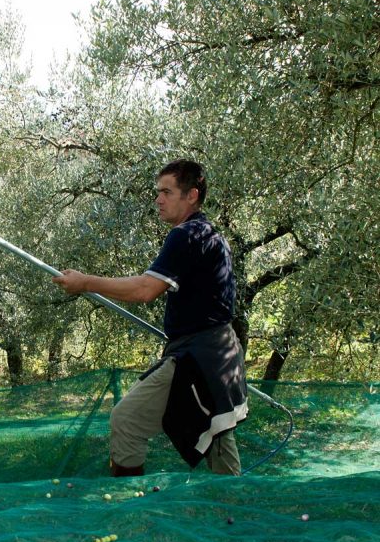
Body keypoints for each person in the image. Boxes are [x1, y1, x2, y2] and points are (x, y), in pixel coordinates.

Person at [51, 159, 247, 476]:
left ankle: (131, 505)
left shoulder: (186, 235)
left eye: (166, 192)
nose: (158, 199)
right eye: (158, 192)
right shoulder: (210, 235)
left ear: (192, 195)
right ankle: (232, 513)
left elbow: (145, 289)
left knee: (127, 419)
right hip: (220, 354)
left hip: (200, 358)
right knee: (217, 434)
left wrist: (85, 282)